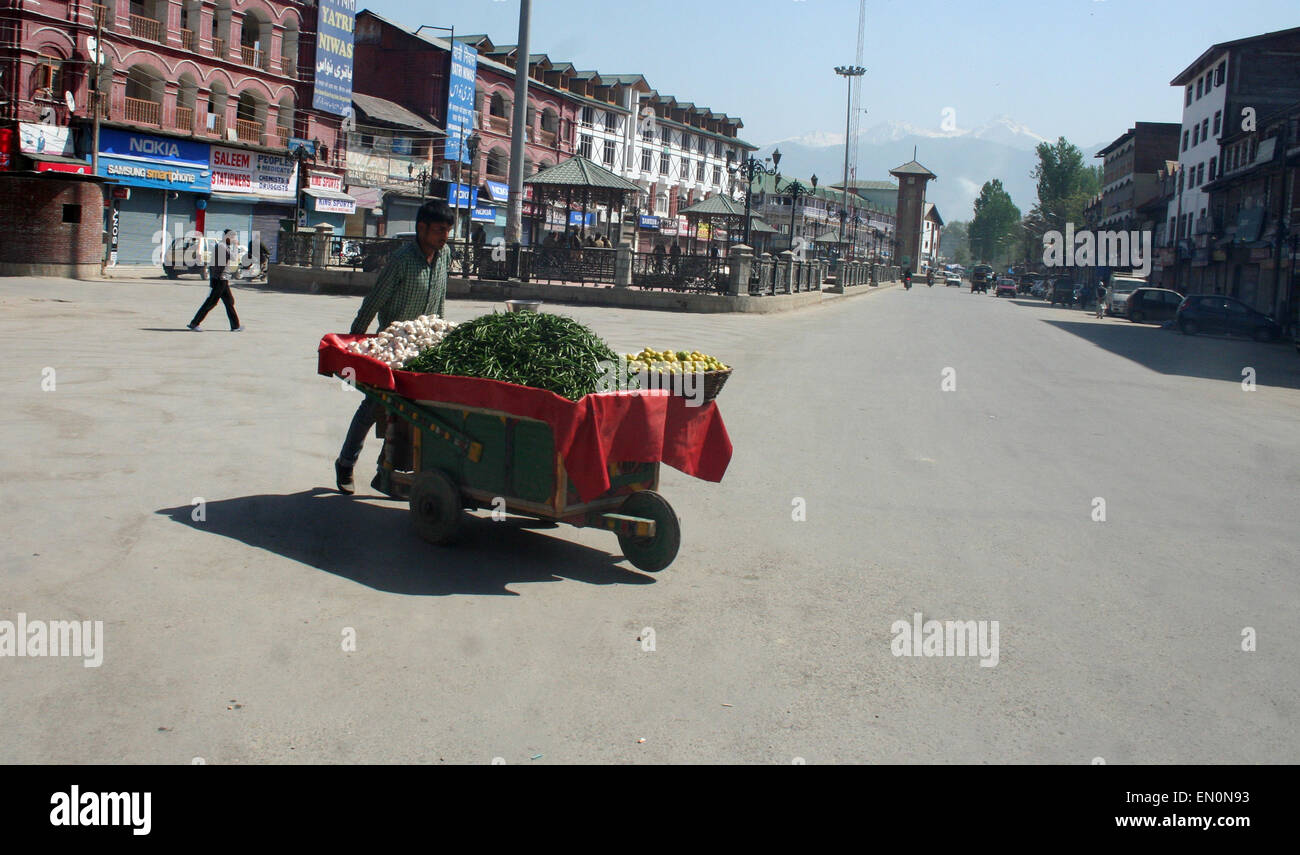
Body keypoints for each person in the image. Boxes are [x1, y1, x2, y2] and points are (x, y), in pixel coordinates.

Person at [334, 201, 455, 494]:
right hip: (393, 346)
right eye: (439, 230)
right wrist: (354, 343)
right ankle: (346, 462)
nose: (445, 237)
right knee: (374, 406)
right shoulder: (401, 260)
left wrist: (441, 335)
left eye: (448, 231)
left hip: (424, 346)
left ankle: (385, 473)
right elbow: (374, 301)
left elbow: (440, 300)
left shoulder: (444, 256)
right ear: (421, 228)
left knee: (416, 414)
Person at [188, 230, 244, 331]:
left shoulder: (221, 246)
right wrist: (236, 246)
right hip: (220, 279)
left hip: (222, 278)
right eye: (233, 238)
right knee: (211, 302)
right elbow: (234, 258)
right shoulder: (222, 246)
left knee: (229, 301)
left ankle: (235, 326)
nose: (234, 240)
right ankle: (194, 323)